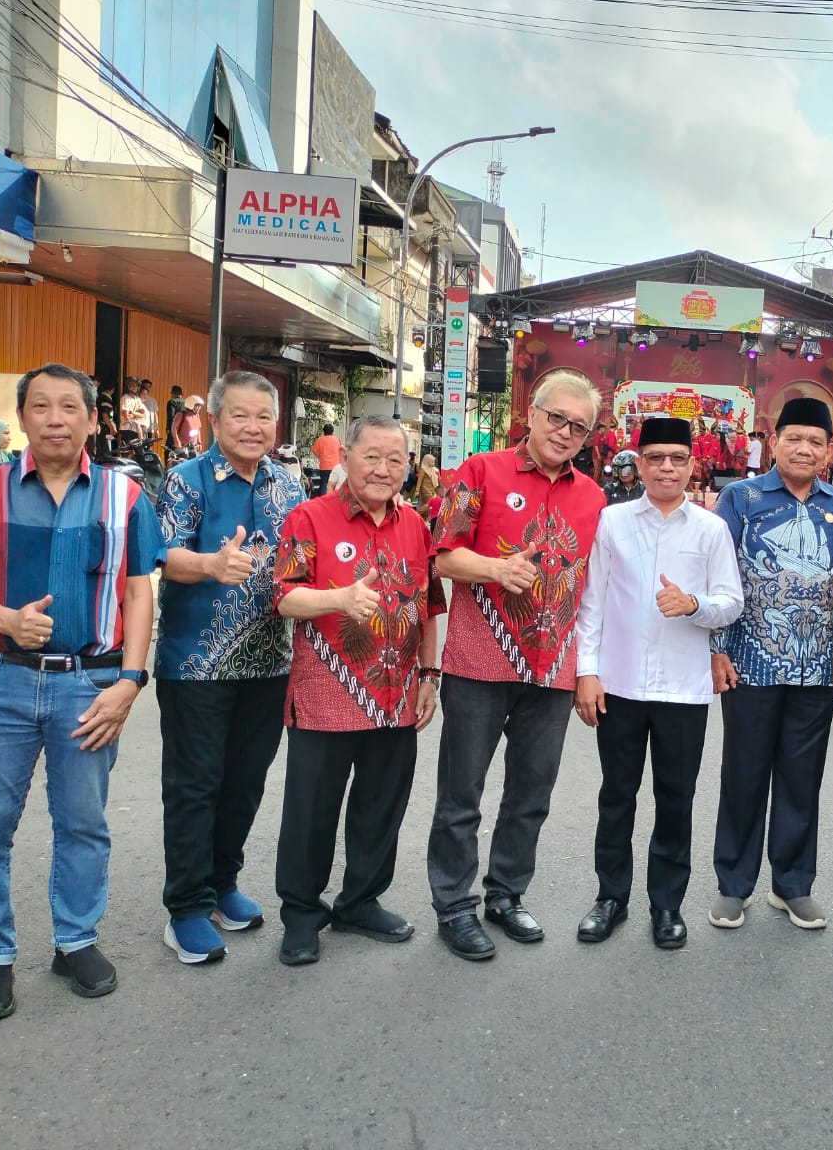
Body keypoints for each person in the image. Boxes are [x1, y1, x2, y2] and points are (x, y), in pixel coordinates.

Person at [0, 364, 164, 1021]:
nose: (56, 418)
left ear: (91, 419)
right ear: (21, 418)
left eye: (69, 407)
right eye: (41, 407)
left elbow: (140, 592)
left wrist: (131, 681)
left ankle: (75, 940)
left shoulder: (124, 497)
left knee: (84, 822)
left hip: (89, 683)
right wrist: (5, 620)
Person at [426, 368, 607, 961]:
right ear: (530, 413)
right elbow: (442, 556)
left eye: (578, 426)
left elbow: (594, 587)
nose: (564, 432)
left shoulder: (593, 497)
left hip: (552, 670)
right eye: (555, 417)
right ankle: (455, 906)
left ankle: (506, 893)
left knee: (531, 791)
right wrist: (497, 570)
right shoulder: (478, 472)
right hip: (478, 664)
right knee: (462, 794)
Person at [271, 416, 445, 966]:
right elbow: (284, 598)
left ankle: (360, 901)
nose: (383, 470)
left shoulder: (416, 526)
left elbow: (427, 608)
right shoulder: (309, 517)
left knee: (380, 808)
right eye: (372, 456)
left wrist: (429, 676)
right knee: (311, 812)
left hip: (396, 698)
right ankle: (301, 914)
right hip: (326, 698)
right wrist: (338, 600)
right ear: (344, 457)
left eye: (396, 460)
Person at [153, 372, 305, 965]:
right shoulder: (187, 481)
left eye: (263, 416)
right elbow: (162, 554)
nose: (252, 427)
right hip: (196, 664)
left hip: (269, 662)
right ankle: (186, 907)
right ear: (215, 420)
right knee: (194, 786)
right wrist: (211, 565)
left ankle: (222, 884)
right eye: (239, 416)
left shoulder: (286, 486)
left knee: (244, 782)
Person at [574, 417, 743, 948]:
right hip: (619, 685)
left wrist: (693, 605)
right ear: (638, 463)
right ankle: (611, 898)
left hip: (682, 691)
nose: (666, 467)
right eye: (655, 457)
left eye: (677, 458)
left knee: (676, 799)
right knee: (616, 796)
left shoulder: (711, 529)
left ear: (693, 466)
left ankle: (667, 904)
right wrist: (587, 671)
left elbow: (731, 602)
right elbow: (592, 602)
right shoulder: (612, 522)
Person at [708, 398, 833, 932]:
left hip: (815, 668)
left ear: (829, 450)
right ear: (774, 442)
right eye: (794, 438)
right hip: (749, 662)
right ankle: (734, 884)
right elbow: (720, 578)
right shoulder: (741, 498)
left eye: (816, 442)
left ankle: (792, 885)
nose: (804, 449)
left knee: (802, 778)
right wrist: (716, 650)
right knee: (743, 773)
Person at [310, 422, 343, 496]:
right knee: (334, 484)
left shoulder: (320, 440)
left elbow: (314, 450)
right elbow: (340, 451)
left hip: (324, 466)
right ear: (332, 431)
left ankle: (323, 499)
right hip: (334, 466)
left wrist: (320, 456)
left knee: (323, 484)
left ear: (324, 431)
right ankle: (334, 499)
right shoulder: (337, 440)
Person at [410, 452, 439, 518]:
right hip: (425, 490)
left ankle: (424, 518)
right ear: (427, 461)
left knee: (425, 504)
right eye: (432, 462)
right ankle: (415, 514)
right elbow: (419, 481)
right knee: (430, 504)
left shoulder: (431, 469)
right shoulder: (423, 469)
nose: (433, 464)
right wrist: (417, 491)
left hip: (431, 489)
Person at [165, 385, 186, 449]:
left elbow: (171, 416)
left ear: (173, 393)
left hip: (174, 428)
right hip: (184, 428)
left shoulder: (172, 402)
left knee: (170, 448)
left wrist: (168, 428)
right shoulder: (186, 402)